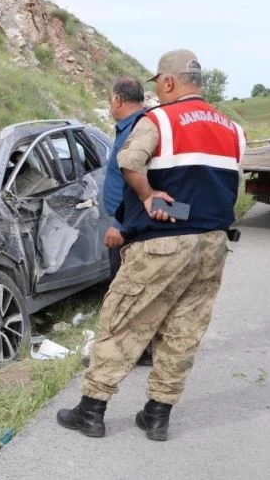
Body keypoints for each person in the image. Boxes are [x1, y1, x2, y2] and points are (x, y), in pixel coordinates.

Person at [57, 49, 246, 441]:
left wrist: (148, 196)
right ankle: (157, 415)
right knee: (184, 330)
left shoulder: (159, 119)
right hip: (212, 244)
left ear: (170, 82)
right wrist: (185, 209)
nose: (157, 90)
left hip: (163, 242)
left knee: (122, 319)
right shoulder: (233, 128)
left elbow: (130, 161)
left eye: (158, 82)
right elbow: (220, 187)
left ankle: (91, 410)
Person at [103, 77, 152, 367]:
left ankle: (126, 353)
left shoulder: (137, 129)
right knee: (132, 288)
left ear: (118, 101)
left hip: (128, 224)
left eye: (111, 99)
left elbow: (136, 179)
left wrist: (121, 224)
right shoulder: (134, 127)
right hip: (128, 220)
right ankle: (141, 350)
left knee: (124, 290)